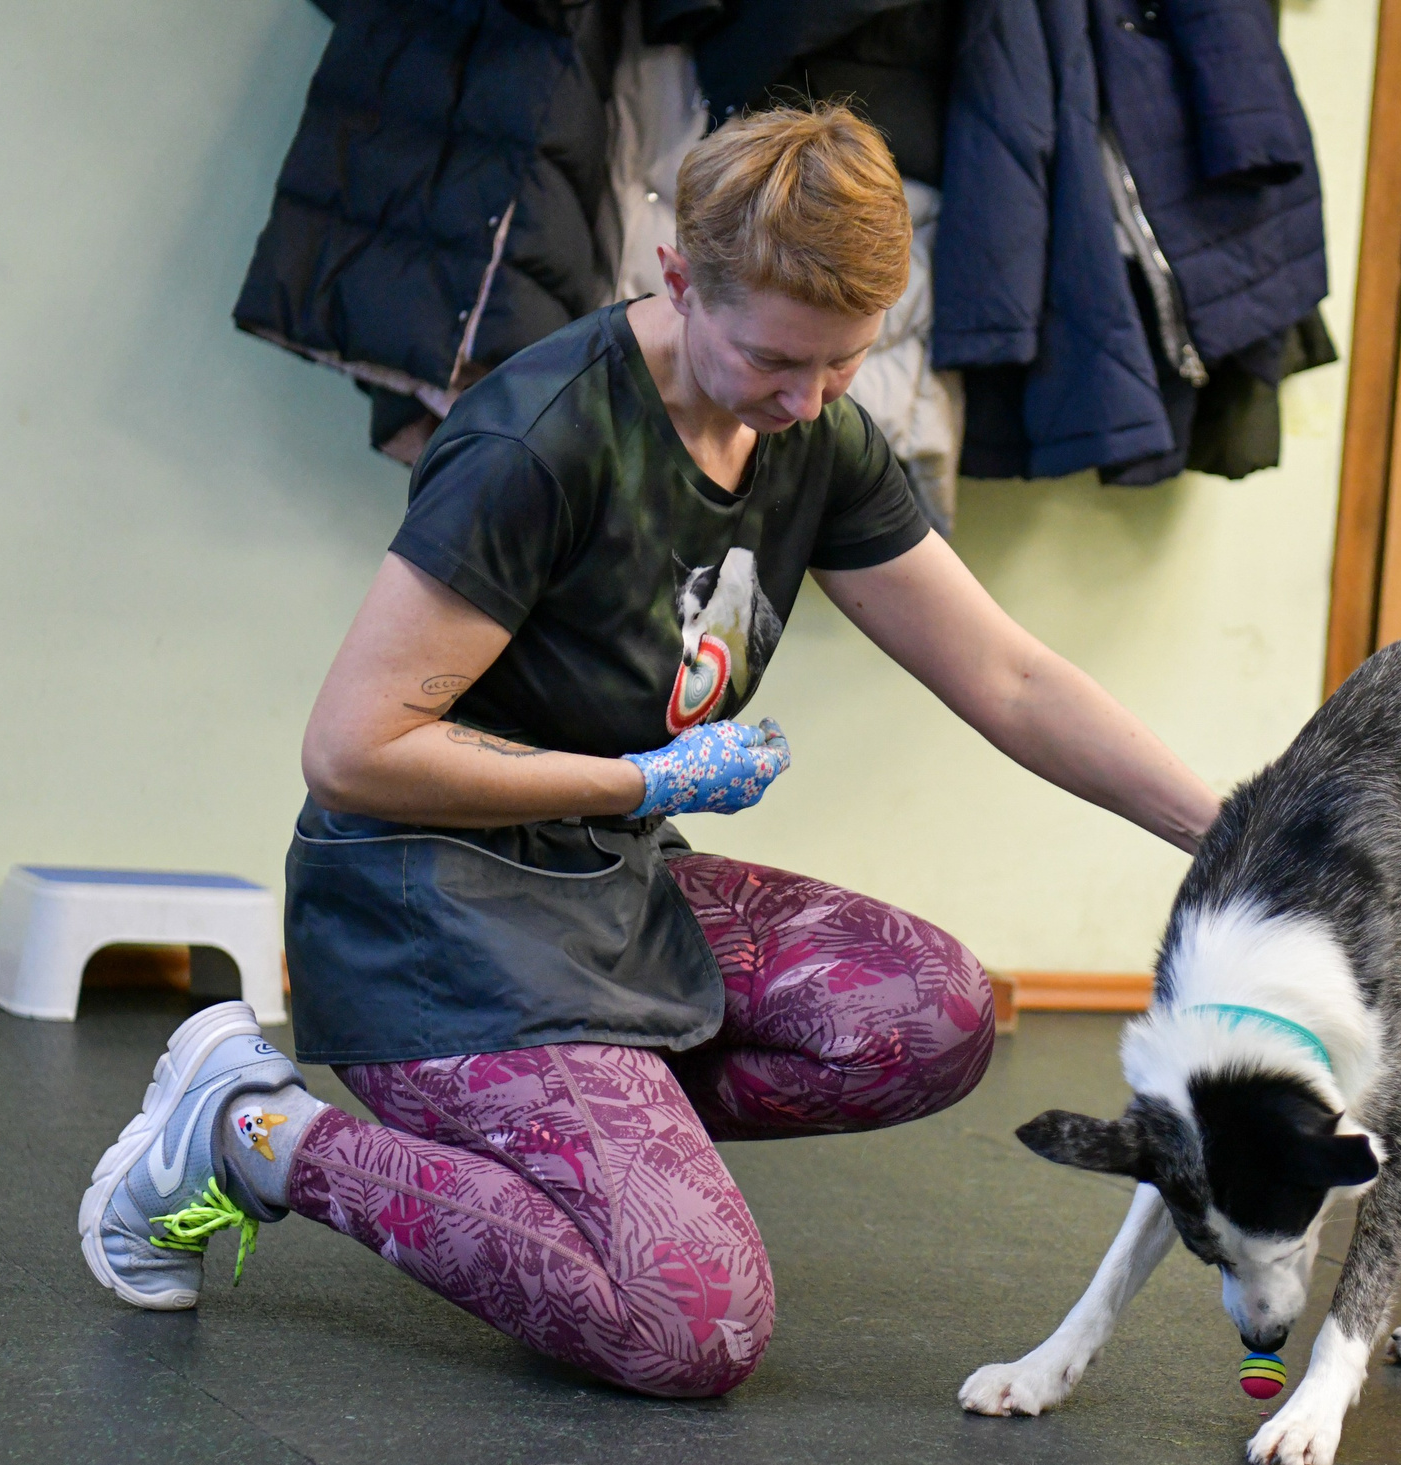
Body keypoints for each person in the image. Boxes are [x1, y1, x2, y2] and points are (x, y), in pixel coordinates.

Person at [76, 107, 1220, 1399]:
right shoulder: (541, 440)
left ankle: (592, 1150)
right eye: (779, 360)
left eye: (844, 365)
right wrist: (637, 784)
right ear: (679, 277)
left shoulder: (810, 436)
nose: (811, 400)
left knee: (929, 1015)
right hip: (425, 916)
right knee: (691, 1328)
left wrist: (1234, 835)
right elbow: (352, 752)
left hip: (603, 889)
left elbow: (1009, 676)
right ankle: (248, 1131)